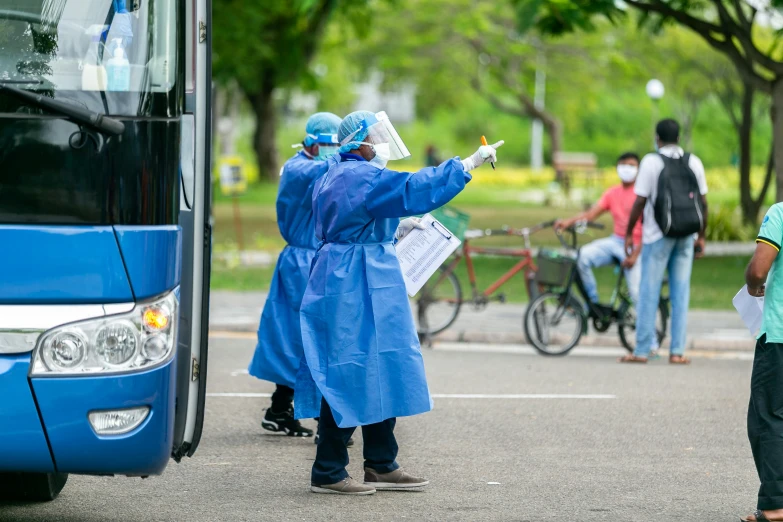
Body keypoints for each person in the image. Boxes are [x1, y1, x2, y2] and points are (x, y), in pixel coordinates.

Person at [296, 110, 502, 495]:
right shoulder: (357, 175)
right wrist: (466, 164)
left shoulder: (337, 171)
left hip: (358, 271)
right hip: (353, 278)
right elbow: (410, 189)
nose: (381, 142)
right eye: (375, 136)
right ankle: (328, 470)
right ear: (358, 141)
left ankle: (381, 463)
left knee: (381, 365)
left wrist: (394, 226)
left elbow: (360, 213)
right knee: (349, 369)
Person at [248, 112, 342, 438]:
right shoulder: (296, 167)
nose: (333, 150)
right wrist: (348, 154)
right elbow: (317, 171)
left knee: (298, 339)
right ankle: (323, 423)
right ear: (312, 143)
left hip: (313, 259)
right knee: (308, 340)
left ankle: (279, 410)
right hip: (302, 262)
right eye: (330, 144)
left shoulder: (319, 163)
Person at [619, 119, 708, 365]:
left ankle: (641, 350)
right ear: (679, 138)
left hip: (657, 236)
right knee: (681, 294)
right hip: (686, 237)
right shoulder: (694, 161)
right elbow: (703, 203)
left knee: (649, 292)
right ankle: (677, 351)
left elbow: (640, 202)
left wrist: (629, 233)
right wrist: (701, 236)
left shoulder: (651, 162)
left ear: (657, 138)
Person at [555, 152, 643, 306]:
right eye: (623, 165)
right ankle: (593, 304)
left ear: (639, 169)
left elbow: (651, 230)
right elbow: (590, 215)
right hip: (616, 241)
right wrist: (568, 222)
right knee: (581, 257)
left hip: (637, 245)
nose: (626, 169)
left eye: (631, 166)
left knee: (636, 292)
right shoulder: (612, 193)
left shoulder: (642, 194)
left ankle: (648, 328)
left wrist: (635, 255)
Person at [742, 204, 783, 522]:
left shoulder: (781, 213)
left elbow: (758, 270)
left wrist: (754, 286)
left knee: (767, 417)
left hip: (781, 336)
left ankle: (774, 505)